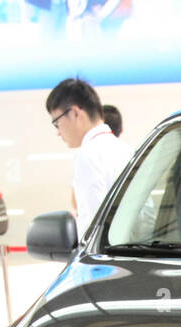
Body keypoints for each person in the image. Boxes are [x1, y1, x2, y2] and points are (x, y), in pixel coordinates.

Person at [46, 77, 133, 235]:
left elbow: (93, 229)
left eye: (56, 123)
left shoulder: (87, 155)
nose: (58, 132)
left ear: (74, 113)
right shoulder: (127, 150)